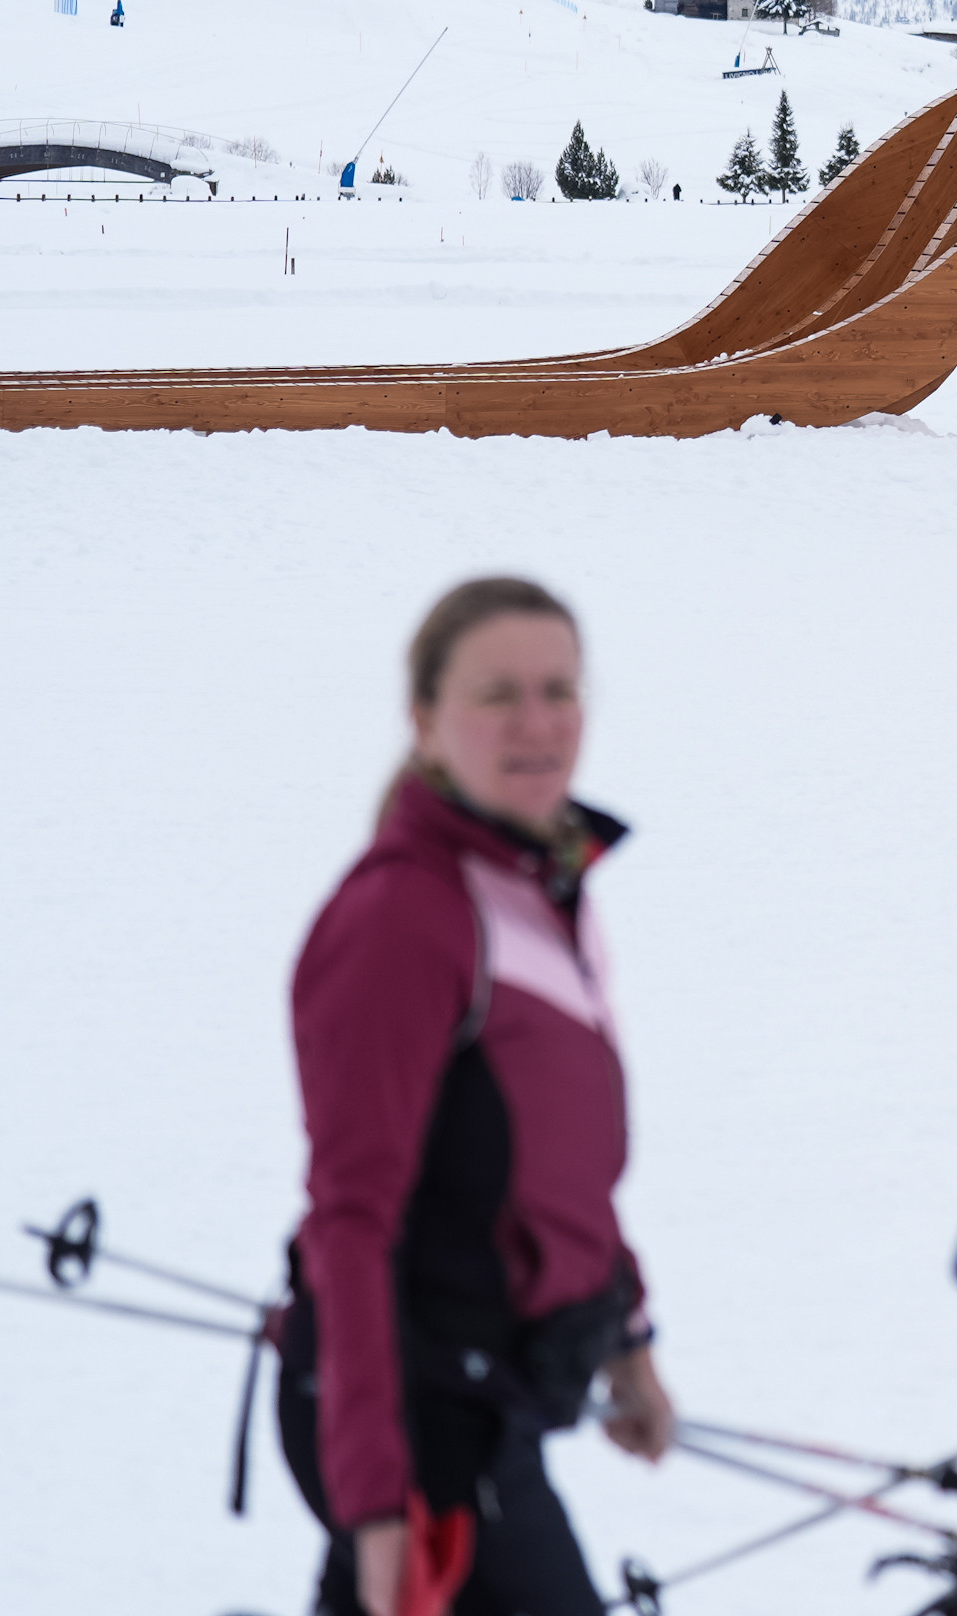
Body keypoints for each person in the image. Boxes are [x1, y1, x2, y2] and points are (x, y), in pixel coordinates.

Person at [280, 577, 675, 1616]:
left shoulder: (541, 887)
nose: (538, 722)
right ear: (425, 718)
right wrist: (375, 1500)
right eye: (499, 693)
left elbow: (558, 1162)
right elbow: (349, 1221)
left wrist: (625, 1336)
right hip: (419, 1416)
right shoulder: (406, 914)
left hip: (497, 1389)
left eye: (560, 688)